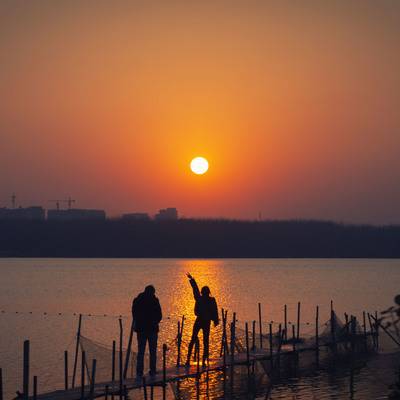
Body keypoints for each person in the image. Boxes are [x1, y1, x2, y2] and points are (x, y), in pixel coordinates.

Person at [186, 273, 219, 366]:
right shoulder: (205, 299)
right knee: (202, 340)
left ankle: (192, 360)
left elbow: (195, 289)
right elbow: (215, 311)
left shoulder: (201, 299)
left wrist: (192, 279)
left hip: (202, 321)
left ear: (203, 292)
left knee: (197, 339)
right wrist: (215, 320)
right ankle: (196, 360)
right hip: (203, 321)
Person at [132, 285, 162, 377]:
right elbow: (159, 315)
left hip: (142, 329)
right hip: (150, 329)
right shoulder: (154, 301)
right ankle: (151, 371)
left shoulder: (137, 300)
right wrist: (154, 322)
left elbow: (134, 314)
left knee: (142, 351)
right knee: (151, 351)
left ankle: (140, 372)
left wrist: (139, 322)